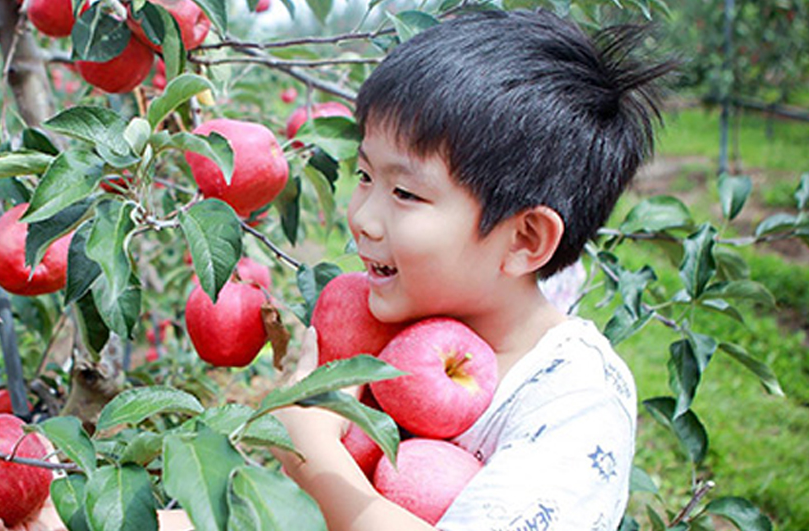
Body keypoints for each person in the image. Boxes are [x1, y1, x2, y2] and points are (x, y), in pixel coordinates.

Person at [271, 9, 674, 531]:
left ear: (525, 239)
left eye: (405, 192)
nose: (362, 217)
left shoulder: (576, 400)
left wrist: (315, 461)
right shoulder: (400, 319)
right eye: (364, 174)